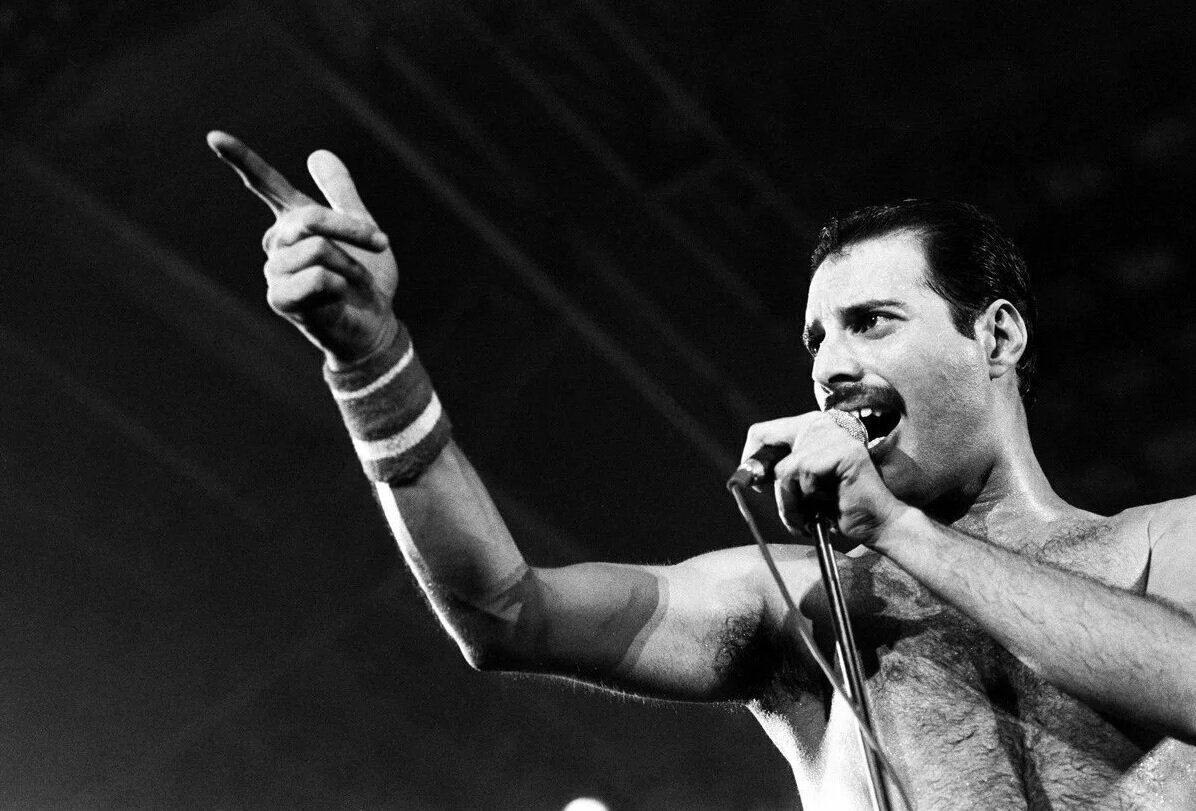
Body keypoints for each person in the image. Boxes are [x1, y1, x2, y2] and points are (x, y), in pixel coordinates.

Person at [207, 130, 1196, 810]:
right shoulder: (799, 606)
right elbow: (502, 612)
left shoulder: (1166, 541)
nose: (831, 364)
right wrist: (371, 360)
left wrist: (899, 530)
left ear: (997, 337)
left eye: (870, 322)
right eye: (816, 340)